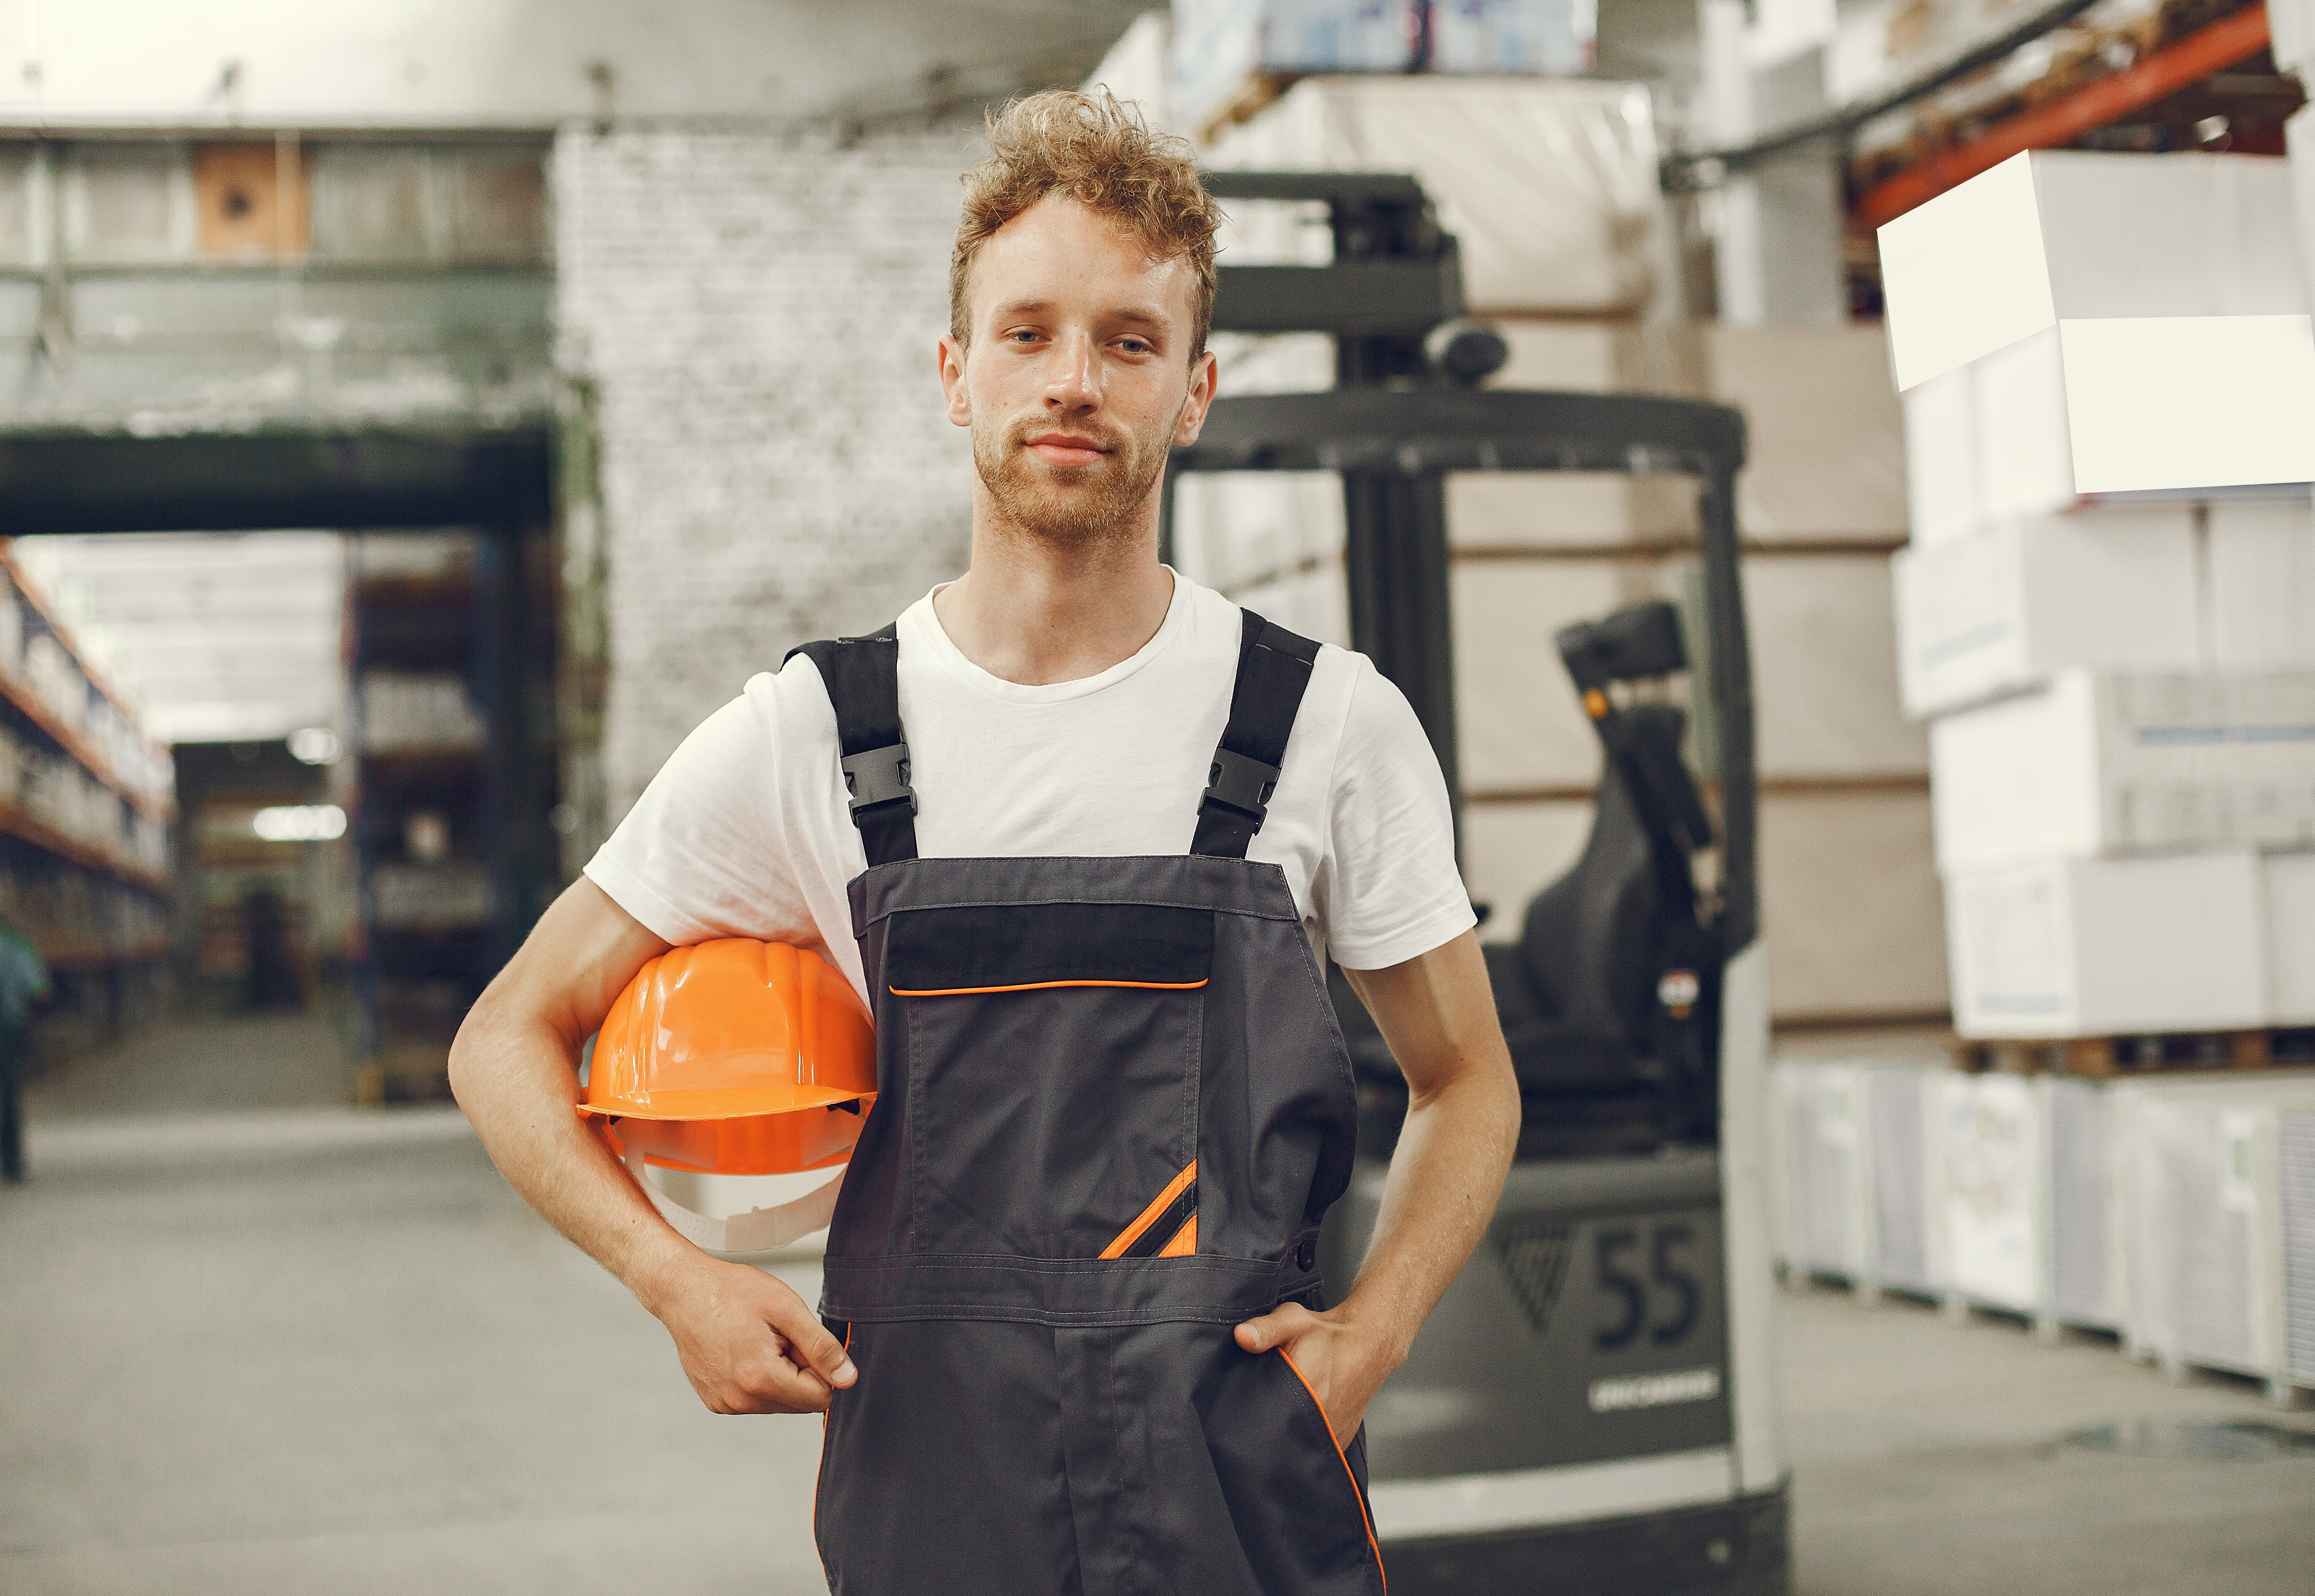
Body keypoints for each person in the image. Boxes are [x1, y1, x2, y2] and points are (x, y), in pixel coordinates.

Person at [451, 88, 1520, 1594]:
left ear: (1193, 390)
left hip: (1234, 1486)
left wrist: (1375, 1332)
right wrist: (670, 1276)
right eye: (1027, 333)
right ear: (955, 375)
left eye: (1127, 342)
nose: (1073, 380)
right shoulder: (820, 733)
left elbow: (1465, 1078)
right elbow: (504, 1040)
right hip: (934, 1494)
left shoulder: (1320, 725)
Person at [0, 913, 50, 1183]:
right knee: (9, 1097)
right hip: (8, 1030)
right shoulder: (19, 948)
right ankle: (12, 1164)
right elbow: (39, 988)